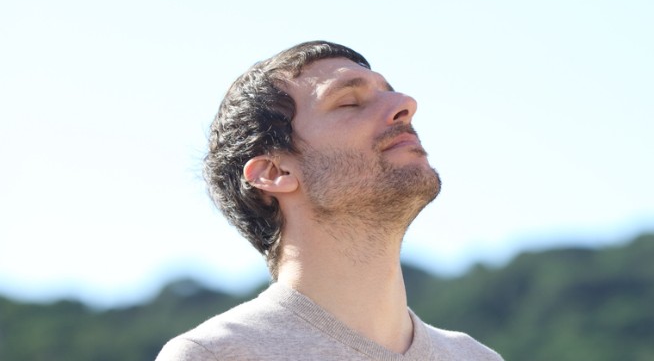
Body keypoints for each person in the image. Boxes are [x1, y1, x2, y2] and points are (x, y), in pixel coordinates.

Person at [157, 41, 504, 360]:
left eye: (391, 93)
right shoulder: (216, 355)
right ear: (275, 172)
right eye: (349, 102)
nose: (405, 105)